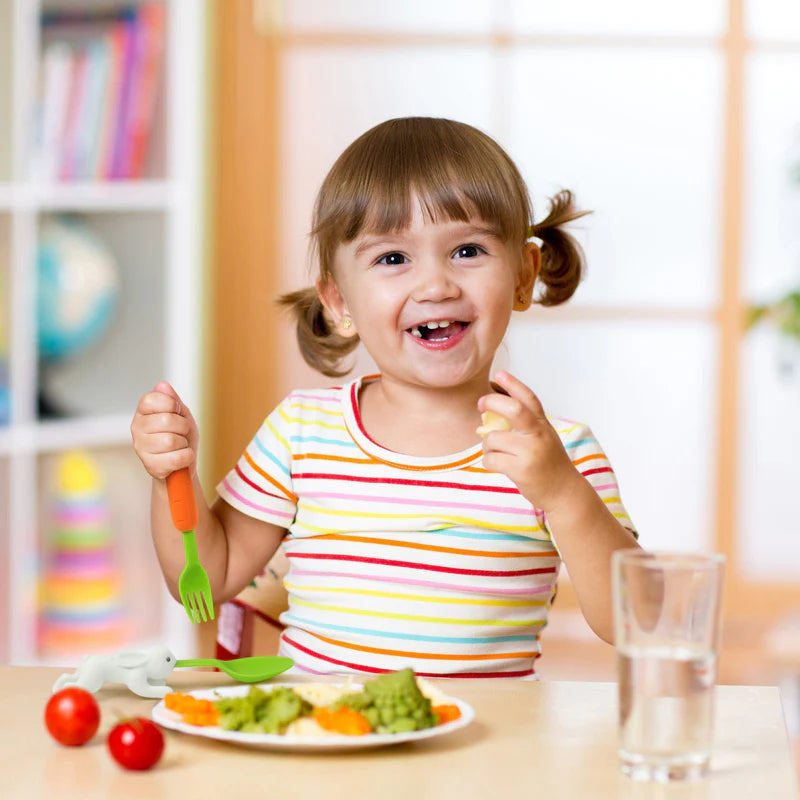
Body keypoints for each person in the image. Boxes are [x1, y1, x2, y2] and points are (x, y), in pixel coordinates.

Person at [131, 117, 639, 678]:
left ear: (523, 276)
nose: (435, 285)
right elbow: (207, 581)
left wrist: (564, 494)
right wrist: (170, 478)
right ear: (339, 301)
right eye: (393, 259)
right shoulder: (302, 431)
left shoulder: (556, 451)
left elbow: (637, 623)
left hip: (486, 758)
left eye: (467, 250)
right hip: (327, 741)